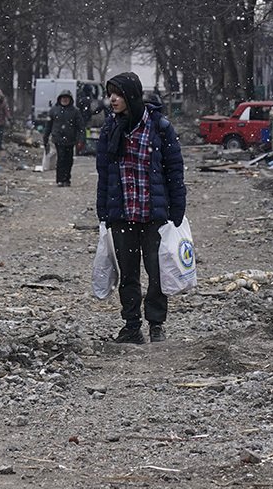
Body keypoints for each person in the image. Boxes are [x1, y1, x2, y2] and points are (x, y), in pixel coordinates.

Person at [95, 71, 186, 345]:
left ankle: (156, 323)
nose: (112, 99)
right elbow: (105, 175)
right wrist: (104, 212)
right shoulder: (110, 129)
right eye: (110, 93)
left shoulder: (159, 127)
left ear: (131, 96)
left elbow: (174, 170)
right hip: (122, 213)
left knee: (157, 271)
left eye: (118, 94)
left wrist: (177, 208)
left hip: (153, 213)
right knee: (128, 273)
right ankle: (131, 325)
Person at [43, 89, 83, 186]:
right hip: (58, 139)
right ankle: (60, 179)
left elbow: (80, 127)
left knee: (68, 160)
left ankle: (67, 179)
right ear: (60, 99)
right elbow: (48, 125)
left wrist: (81, 140)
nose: (65, 100)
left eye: (67, 98)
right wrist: (45, 137)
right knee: (61, 158)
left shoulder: (75, 111)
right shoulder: (54, 110)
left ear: (70, 99)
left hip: (70, 139)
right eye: (63, 98)